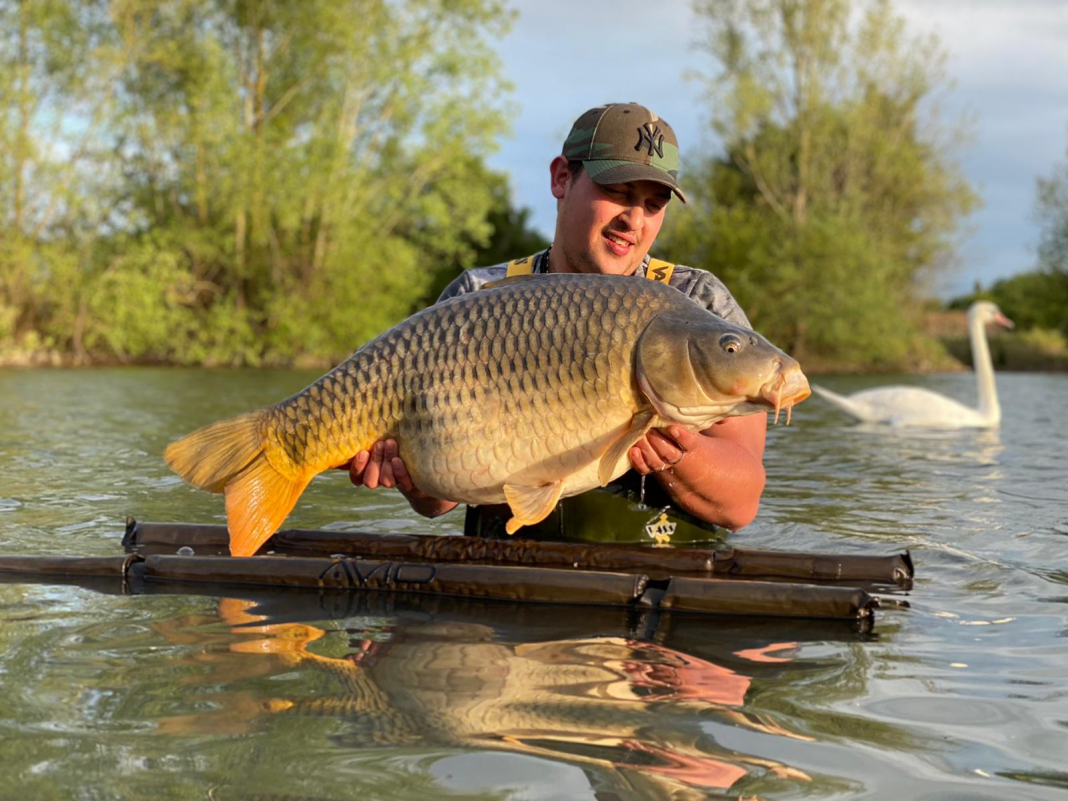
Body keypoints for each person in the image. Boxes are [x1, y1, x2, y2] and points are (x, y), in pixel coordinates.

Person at [345, 102, 766, 541]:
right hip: (508, 567)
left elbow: (741, 504)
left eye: (653, 204)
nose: (634, 220)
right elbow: (437, 503)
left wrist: (679, 452)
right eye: (618, 192)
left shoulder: (698, 306)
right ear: (562, 178)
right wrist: (409, 474)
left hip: (663, 570)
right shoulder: (476, 299)